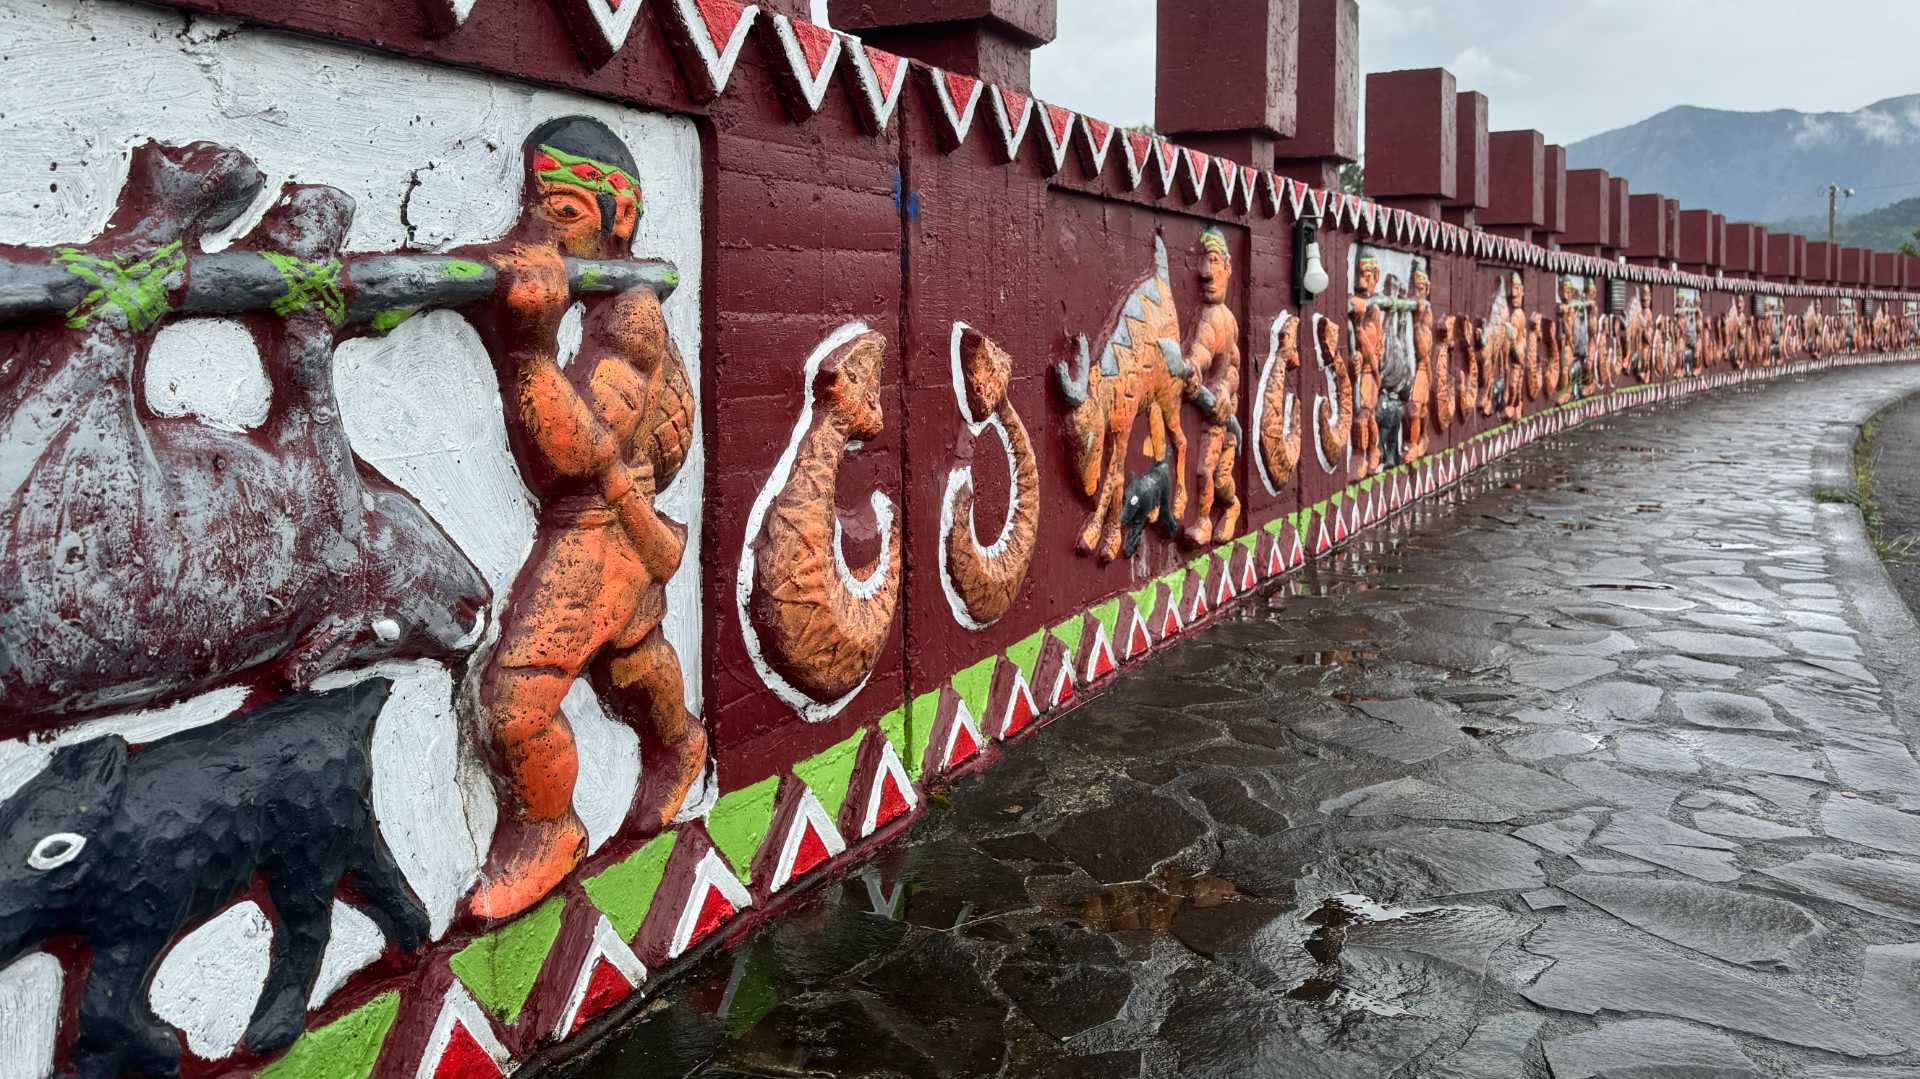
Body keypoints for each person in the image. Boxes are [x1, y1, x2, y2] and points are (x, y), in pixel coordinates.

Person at [463, 117, 707, 921]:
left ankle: (548, 827)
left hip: (600, 527)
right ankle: (677, 742)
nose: (541, 230)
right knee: (632, 654)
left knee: (517, 703)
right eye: (537, 208)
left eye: (562, 212)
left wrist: (529, 347)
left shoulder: (632, 318)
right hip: (611, 526)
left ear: (620, 217)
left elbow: (576, 454)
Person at [1183, 228, 1242, 546]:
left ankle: (1231, 508)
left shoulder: (1227, 320)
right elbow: (1200, 353)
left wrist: (1224, 392)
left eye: (1214, 261)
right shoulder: (1210, 318)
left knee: (1218, 479)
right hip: (1209, 414)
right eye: (1203, 264)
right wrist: (1192, 367)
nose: (1206, 273)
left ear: (1228, 267)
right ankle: (1204, 520)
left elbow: (1233, 367)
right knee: (1205, 472)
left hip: (1221, 418)